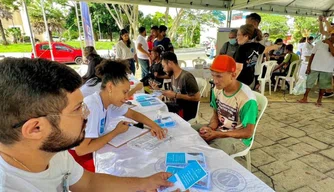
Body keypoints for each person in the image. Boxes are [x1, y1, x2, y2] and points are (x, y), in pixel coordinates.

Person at [0, 58, 174, 191]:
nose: (87, 113)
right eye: (77, 109)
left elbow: (89, 182)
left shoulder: (55, 154)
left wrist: (146, 182)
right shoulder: (8, 184)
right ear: (35, 128)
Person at [72, 60, 166, 172]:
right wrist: (116, 132)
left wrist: (154, 126)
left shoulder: (108, 102)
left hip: (92, 152)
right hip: (79, 161)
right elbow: (81, 150)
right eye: (124, 92)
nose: (127, 97)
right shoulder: (93, 106)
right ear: (110, 87)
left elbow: (132, 114)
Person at [192, 55, 258, 155]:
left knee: (208, 154)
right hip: (220, 129)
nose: (215, 80)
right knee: (189, 131)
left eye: (219, 76)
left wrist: (217, 134)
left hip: (238, 138)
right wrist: (210, 128)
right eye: (213, 75)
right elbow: (215, 115)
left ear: (233, 75)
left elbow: (248, 132)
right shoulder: (216, 89)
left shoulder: (247, 100)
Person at [151, 52, 200, 121]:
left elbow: (197, 97)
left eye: (164, 66)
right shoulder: (173, 76)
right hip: (177, 107)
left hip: (186, 111)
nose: (163, 69)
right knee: (156, 108)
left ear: (170, 63)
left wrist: (176, 95)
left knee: (159, 113)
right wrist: (158, 90)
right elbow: (172, 94)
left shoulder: (186, 77)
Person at [298, 32, 334, 107]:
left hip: (327, 69)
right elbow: (312, 55)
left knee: (323, 86)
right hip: (314, 67)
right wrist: (308, 67)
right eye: (332, 36)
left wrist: (330, 44)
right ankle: (305, 98)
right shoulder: (320, 43)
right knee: (309, 83)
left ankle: (319, 100)